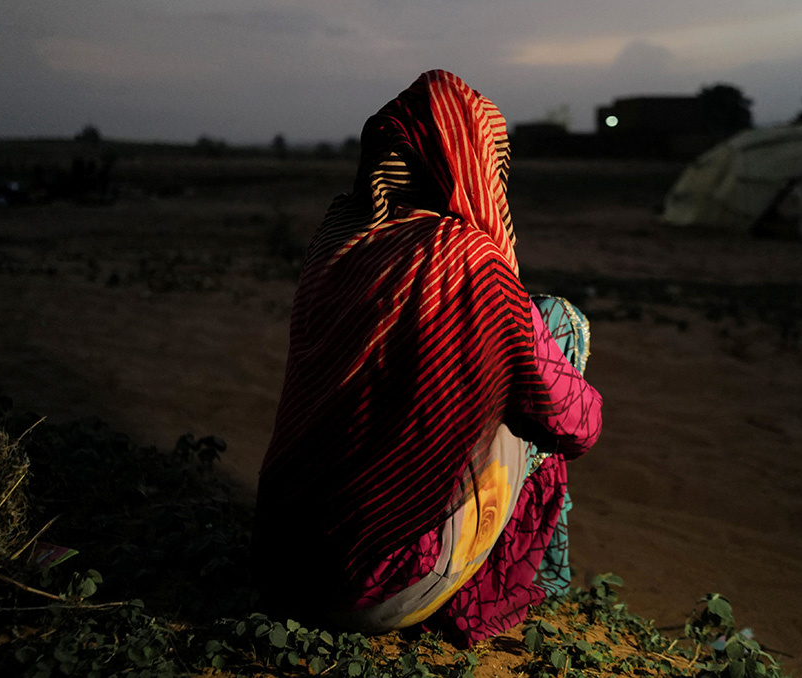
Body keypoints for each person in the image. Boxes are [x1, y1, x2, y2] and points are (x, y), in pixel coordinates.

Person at [252, 70, 602, 645]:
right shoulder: (471, 260)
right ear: (471, 160)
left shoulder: (338, 238)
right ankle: (497, 586)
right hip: (381, 591)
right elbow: (574, 428)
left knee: (510, 343)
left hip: (280, 571)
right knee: (559, 326)